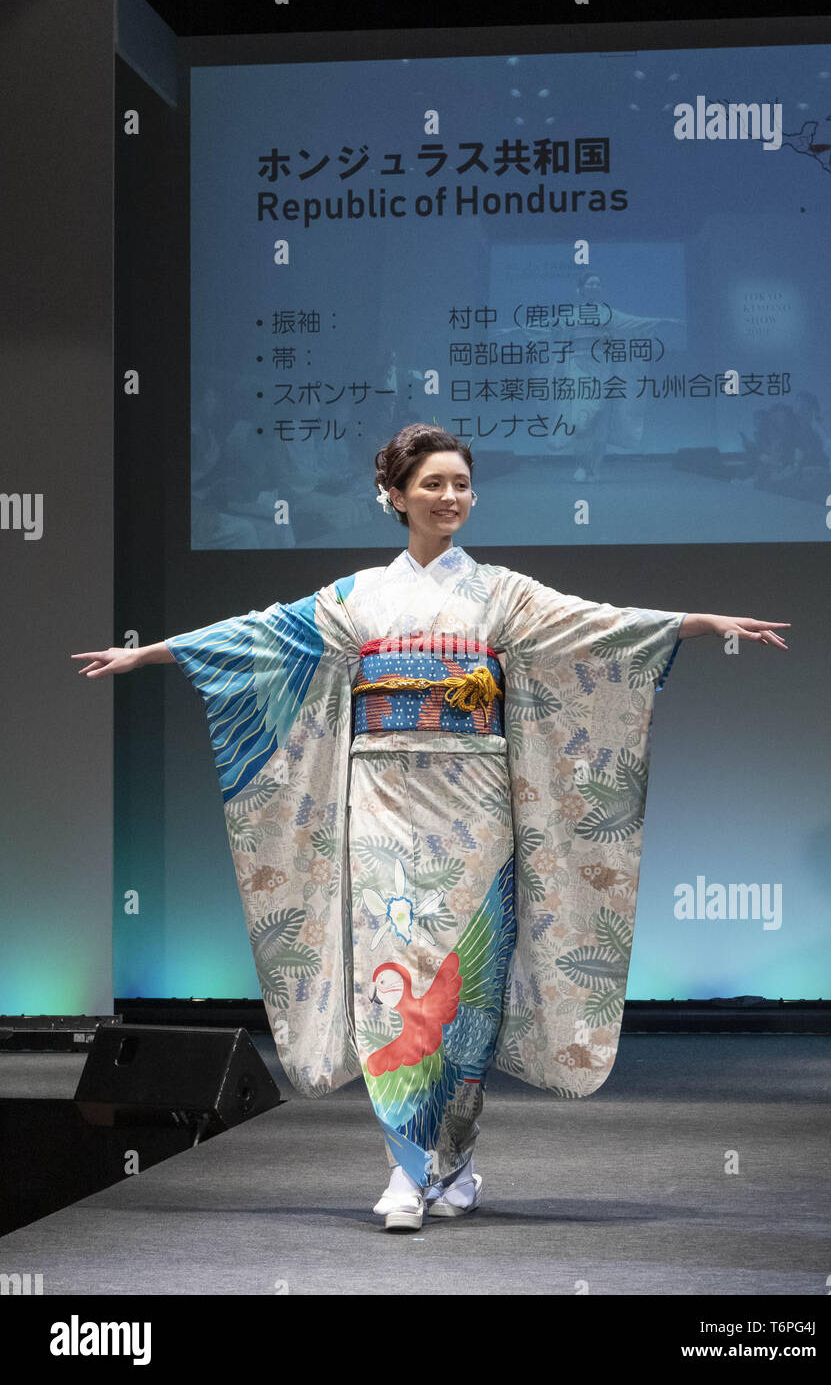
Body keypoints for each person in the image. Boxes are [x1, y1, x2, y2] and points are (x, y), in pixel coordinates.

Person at [71, 422, 789, 1232]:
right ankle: (405, 1172)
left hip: (478, 803)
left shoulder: (503, 595)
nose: (452, 499)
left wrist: (698, 622)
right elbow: (260, 636)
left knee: (465, 995)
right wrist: (150, 655)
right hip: (381, 801)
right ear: (395, 496)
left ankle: (458, 1159)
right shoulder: (359, 599)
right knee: (391, 992)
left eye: (462, 485)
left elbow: (601, 627)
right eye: (434, 485)